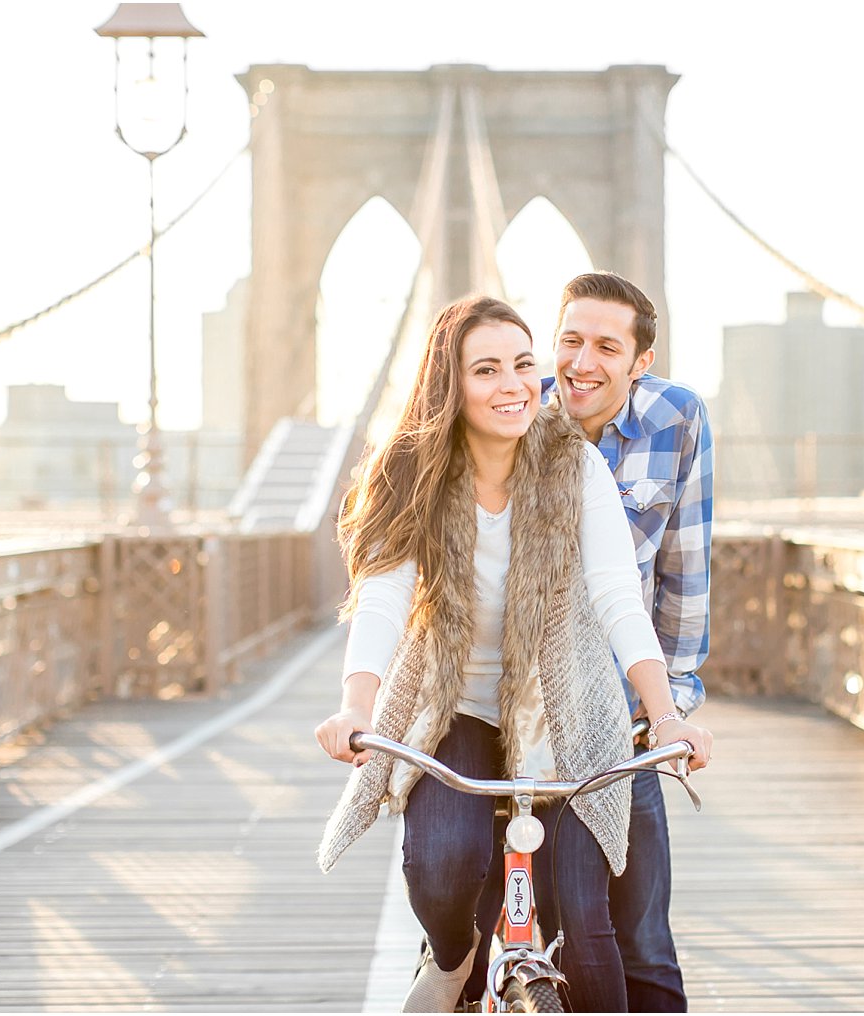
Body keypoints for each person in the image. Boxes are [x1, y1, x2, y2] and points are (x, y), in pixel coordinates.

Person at [314, 296, 712, 1013]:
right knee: (440, 869)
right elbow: (381, 598)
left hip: (564, 715)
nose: (514, 384)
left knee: (587, 936)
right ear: (450, 384)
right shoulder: (412, 474)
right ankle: (454, 960)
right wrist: (356, 705)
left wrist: (668, 717)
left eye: (525, 366)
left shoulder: (576, 466)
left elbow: (619, 595)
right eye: (487, 369)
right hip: (455, 714)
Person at [546, 272, 714, 1013]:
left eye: (607, 346)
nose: (583, 362)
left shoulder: (677, 420)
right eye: (571, 340)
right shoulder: (515, 416)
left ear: (640, 360)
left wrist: (668, 709)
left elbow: (685, 568)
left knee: (642, 939)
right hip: (523, 717)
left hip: (625, 718)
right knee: (536, 933)